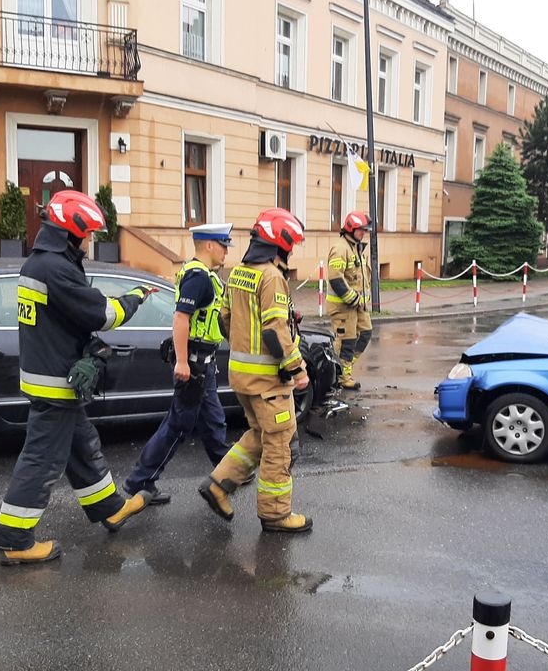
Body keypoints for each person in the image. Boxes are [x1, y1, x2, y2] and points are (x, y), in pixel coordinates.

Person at [0, 190, 156, 565]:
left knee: (82, 446)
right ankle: (14, 538)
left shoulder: (40, 264)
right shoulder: (56, 269)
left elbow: (60, 321)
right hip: (55, 382)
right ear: (73, 232)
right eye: (88, 235)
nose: (89, 242)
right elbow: (103, 315)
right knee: (42, 460)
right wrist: (135, 297)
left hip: (50, 375)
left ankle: (109, 508)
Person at [198, 207, 312, 534]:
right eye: (290, 244)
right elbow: (275, 331)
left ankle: (219, 484)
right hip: (268, 382)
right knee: (278, 444)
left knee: (259, 436)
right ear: (280, 243)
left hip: (241, 376)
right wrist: (297, 368)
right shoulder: (272, 276)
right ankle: (276, 515)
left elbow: (224, 320)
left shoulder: (237, 272)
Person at [121, 223, 234, 507]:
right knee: (178, 426)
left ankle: (229, 472)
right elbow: (181, 319)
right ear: (209, 245)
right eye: (223, 245)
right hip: (193, 365)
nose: (226, 251)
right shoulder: (198, 277)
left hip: (203, 365)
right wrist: (182, 361)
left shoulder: (203, 274)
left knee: (213, 420)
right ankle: (140, 481)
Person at [326, 210, 373, 390]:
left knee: (366, 333)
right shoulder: (340, 248)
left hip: (357, 306)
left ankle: (345, 368)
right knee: (347, 342)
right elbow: (336, 278)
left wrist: (360, 301)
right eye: (361, 230)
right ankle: (341, 376)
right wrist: (352, 298)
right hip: (344, 307)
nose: (364, 233)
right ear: (351, 229)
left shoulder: (354, 246)